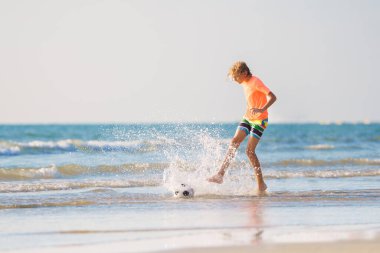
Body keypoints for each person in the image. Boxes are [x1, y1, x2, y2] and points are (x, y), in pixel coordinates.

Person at [207, 61, 277, 192]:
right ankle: (220, 175)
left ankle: (261, 184)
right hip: (248, 118)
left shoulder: (256, 82)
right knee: (234, 142)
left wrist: (262, 109)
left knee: (249, 151)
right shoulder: (244, 82)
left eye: (236, 76)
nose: (235, 79)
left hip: (259, 121)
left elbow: (272, 97)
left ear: (244, 73)